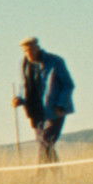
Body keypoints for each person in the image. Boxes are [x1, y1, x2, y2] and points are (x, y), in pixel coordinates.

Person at [12, 36, 75, 164]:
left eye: (31, 50)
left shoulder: (55, 61)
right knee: (44, 144)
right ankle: (57, 178)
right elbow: (25, 86)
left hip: (54, 110)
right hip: (35, 112)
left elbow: (68, 85)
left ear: (37, 48)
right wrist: (20, 99)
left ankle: (39, 177)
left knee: (46, 141)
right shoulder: (24, 64)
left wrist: (61, 104)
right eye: (25, 51)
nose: (29, 54)